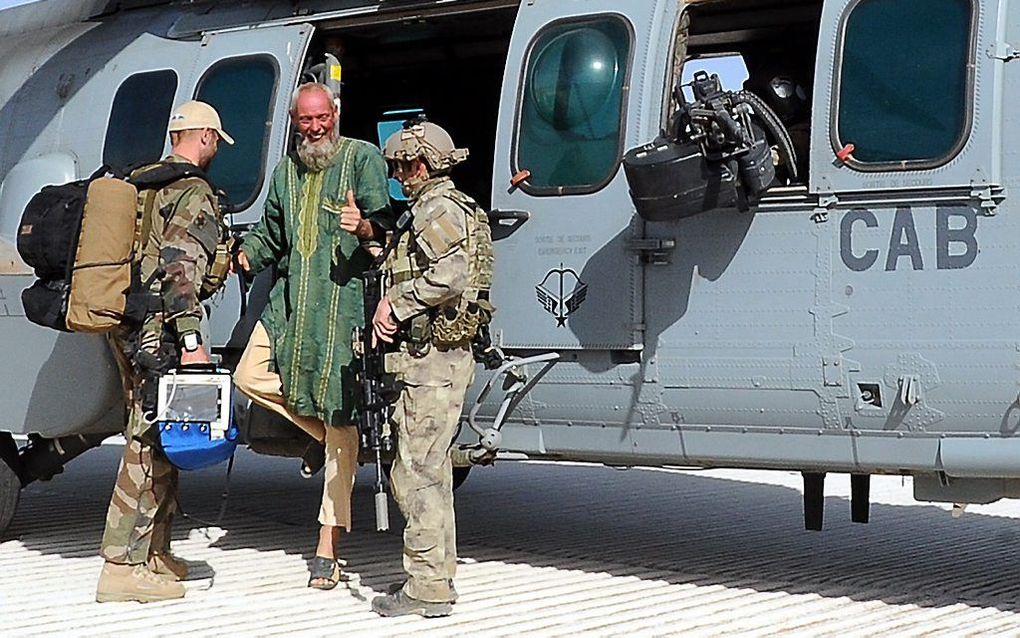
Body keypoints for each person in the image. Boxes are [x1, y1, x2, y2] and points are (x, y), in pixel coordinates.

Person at [232, 82, 391, 590]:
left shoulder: (362, 158)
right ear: (295, 122)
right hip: (292, 307)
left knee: (343, 421)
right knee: (247, 374)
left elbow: (387, 228)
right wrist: (242, 256)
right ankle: (321, 438)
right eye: (305, 120)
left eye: (322, 118)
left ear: (336, 114)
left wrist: (362, 226)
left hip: (342, 311)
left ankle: (327, 544)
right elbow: (272, 234)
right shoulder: (285, 172)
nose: (315, 128)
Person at [96, 100, 233, 603]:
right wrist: (192, 338)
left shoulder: (142, 184)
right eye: (216, 140)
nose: (216, 149)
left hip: (131, 322)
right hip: (164, 330)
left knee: (166, 434)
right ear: (203, 137)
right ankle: (120, 565)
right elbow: (178, 269)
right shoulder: (191, 191)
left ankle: (155, 551)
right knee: (149, 440)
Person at [371, 119, 491, 618]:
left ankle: (425, 586)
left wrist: (395, 304)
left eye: (401, 166)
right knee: (433, 469)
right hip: (440, 359)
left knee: (415, 472)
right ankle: (437, 575)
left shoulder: (435, 209)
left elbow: (451, 273)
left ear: (421, 164)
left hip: (431, 363)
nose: (398, 176)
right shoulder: (440, 208)